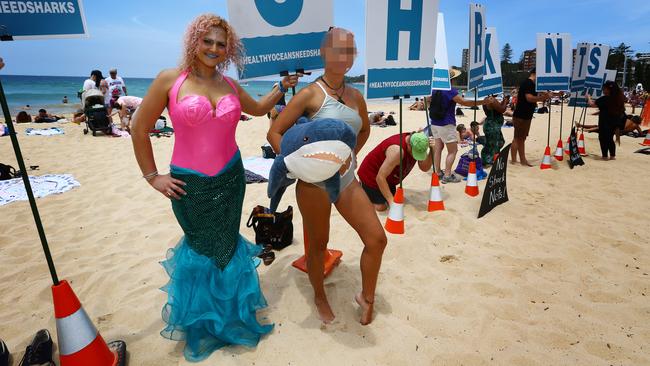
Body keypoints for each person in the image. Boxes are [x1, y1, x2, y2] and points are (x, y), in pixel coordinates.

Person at [131, 13, 299, 361]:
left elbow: (258, 108)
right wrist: (153, 177)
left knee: (226, 246)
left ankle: (228, 317)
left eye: (221, 44)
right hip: (187, 185)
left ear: (229, 49)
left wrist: (282, 87)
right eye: (207, 40)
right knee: (200, 248)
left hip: (231, 179)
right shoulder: (169, 80)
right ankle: (203, 323)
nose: (214, 48)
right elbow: (138, 128)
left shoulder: (230, 85)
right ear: (194, 40)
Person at [268, 27, 386, 325]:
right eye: (338, 49)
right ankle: (319, 296)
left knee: (377, 239)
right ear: (323, 53)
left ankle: (367, 297)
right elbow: (275, 132)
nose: (345, 56)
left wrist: (349, 157)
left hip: (346, 180)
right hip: (313, 185)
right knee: (318, 246)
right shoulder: (310, 93)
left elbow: (364, 130)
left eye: (350, 50)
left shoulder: (356, 96)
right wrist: (298, 163)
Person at [427, 68, 492, 183]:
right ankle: (447, 175)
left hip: (434, 123)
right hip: (446, 124)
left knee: (438, 148)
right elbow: (464, 102)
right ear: (452, 79)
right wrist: (484, 102)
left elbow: (427, 100)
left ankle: (437, 172)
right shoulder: (450, 90)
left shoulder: (436, 89)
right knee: (453, 151)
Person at [358, 132, 433, 211]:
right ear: (409, 144)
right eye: (414, 153)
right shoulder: (397, 151)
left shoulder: (419, 142)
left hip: (389, 179)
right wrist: (392, 203)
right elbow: (380, 177)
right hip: (371, 176)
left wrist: (432, 151)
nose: (415, 156)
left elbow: (424, 168)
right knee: (381, 207)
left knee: (392, 200)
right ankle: (360, 189)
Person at [511, 68, 550, 166]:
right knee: (519, 138)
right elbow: (529, 98)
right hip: (521, 116)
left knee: (519, 138)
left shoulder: (532, 84)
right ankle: (521, 160)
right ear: (535, 73)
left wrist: (555, 94)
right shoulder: (528, 83)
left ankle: (514, 160)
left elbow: (541, 94)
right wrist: (543, 97)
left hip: (524, 115)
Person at [586, 81, 626, 160]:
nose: (603, 90)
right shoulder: (618, 98)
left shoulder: (605, 99)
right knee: (610, 138)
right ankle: (612, 155)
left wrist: (588, 98)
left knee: (603, 138)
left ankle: (604, 156)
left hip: (605, 121)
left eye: (604, 89)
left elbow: (592, 104)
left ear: (609, 90)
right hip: (615, 122)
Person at [481, 95, 509, 165]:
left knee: (496, 142)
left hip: (491, 124)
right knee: (493, 144)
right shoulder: (492, 100)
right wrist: (505, 101)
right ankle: (489, 160)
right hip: (492, 125)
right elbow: (502, 109)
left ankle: (492, 158)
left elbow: (498, 108)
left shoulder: (487, 99)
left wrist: (503, 101)